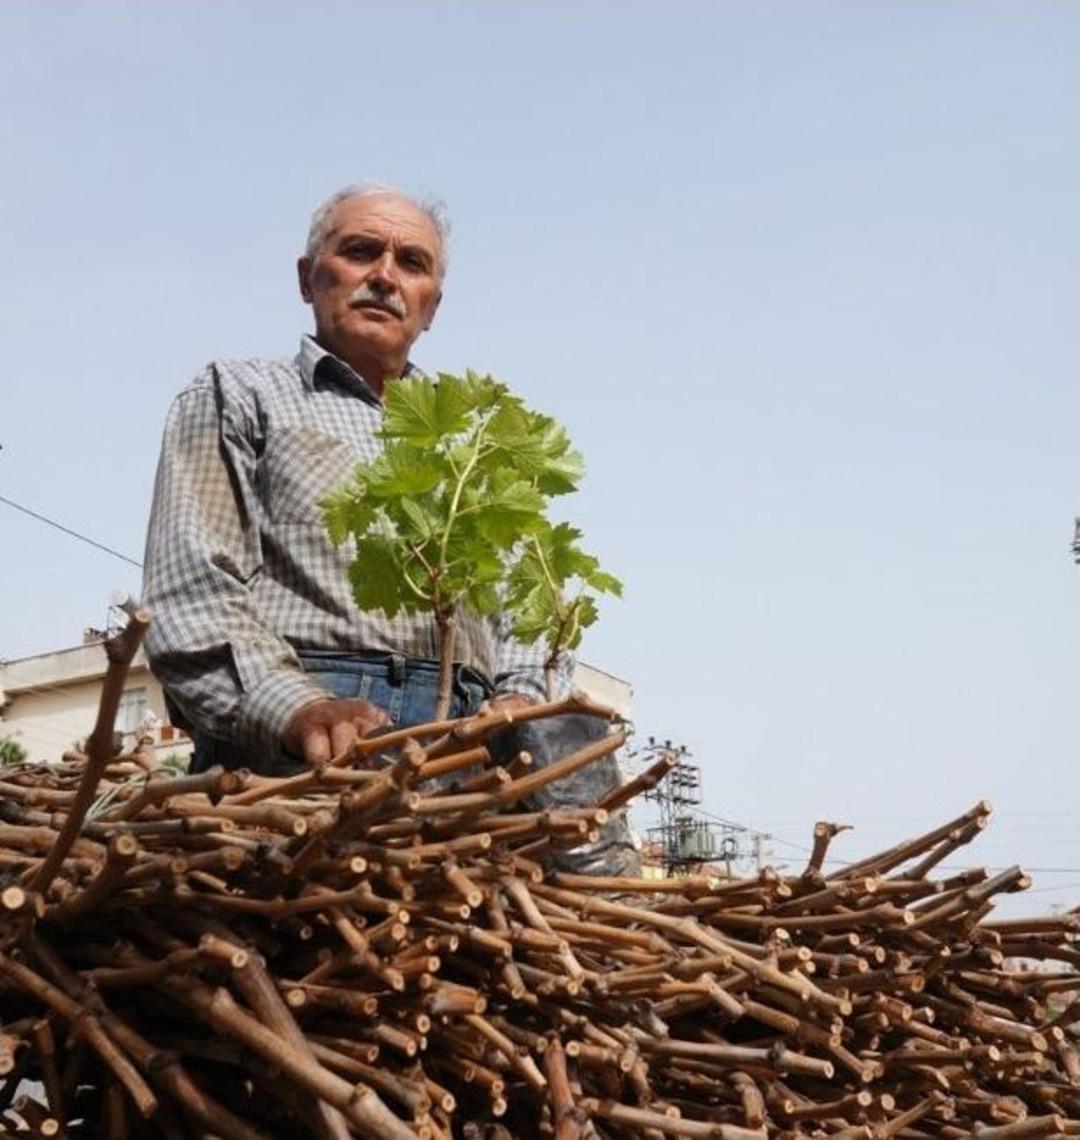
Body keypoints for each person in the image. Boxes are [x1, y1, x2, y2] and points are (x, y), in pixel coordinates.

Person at [142, 183, 639, 874]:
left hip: (470, 744)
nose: (384, 275)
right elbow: (192, 592)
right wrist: (299, 710)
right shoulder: (241, 395)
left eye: (411, 262)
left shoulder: (474, 444)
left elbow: (527, 603)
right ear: (307, 278)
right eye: (359, 251)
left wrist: (518, 701)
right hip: (307, 743)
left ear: (432, 305)